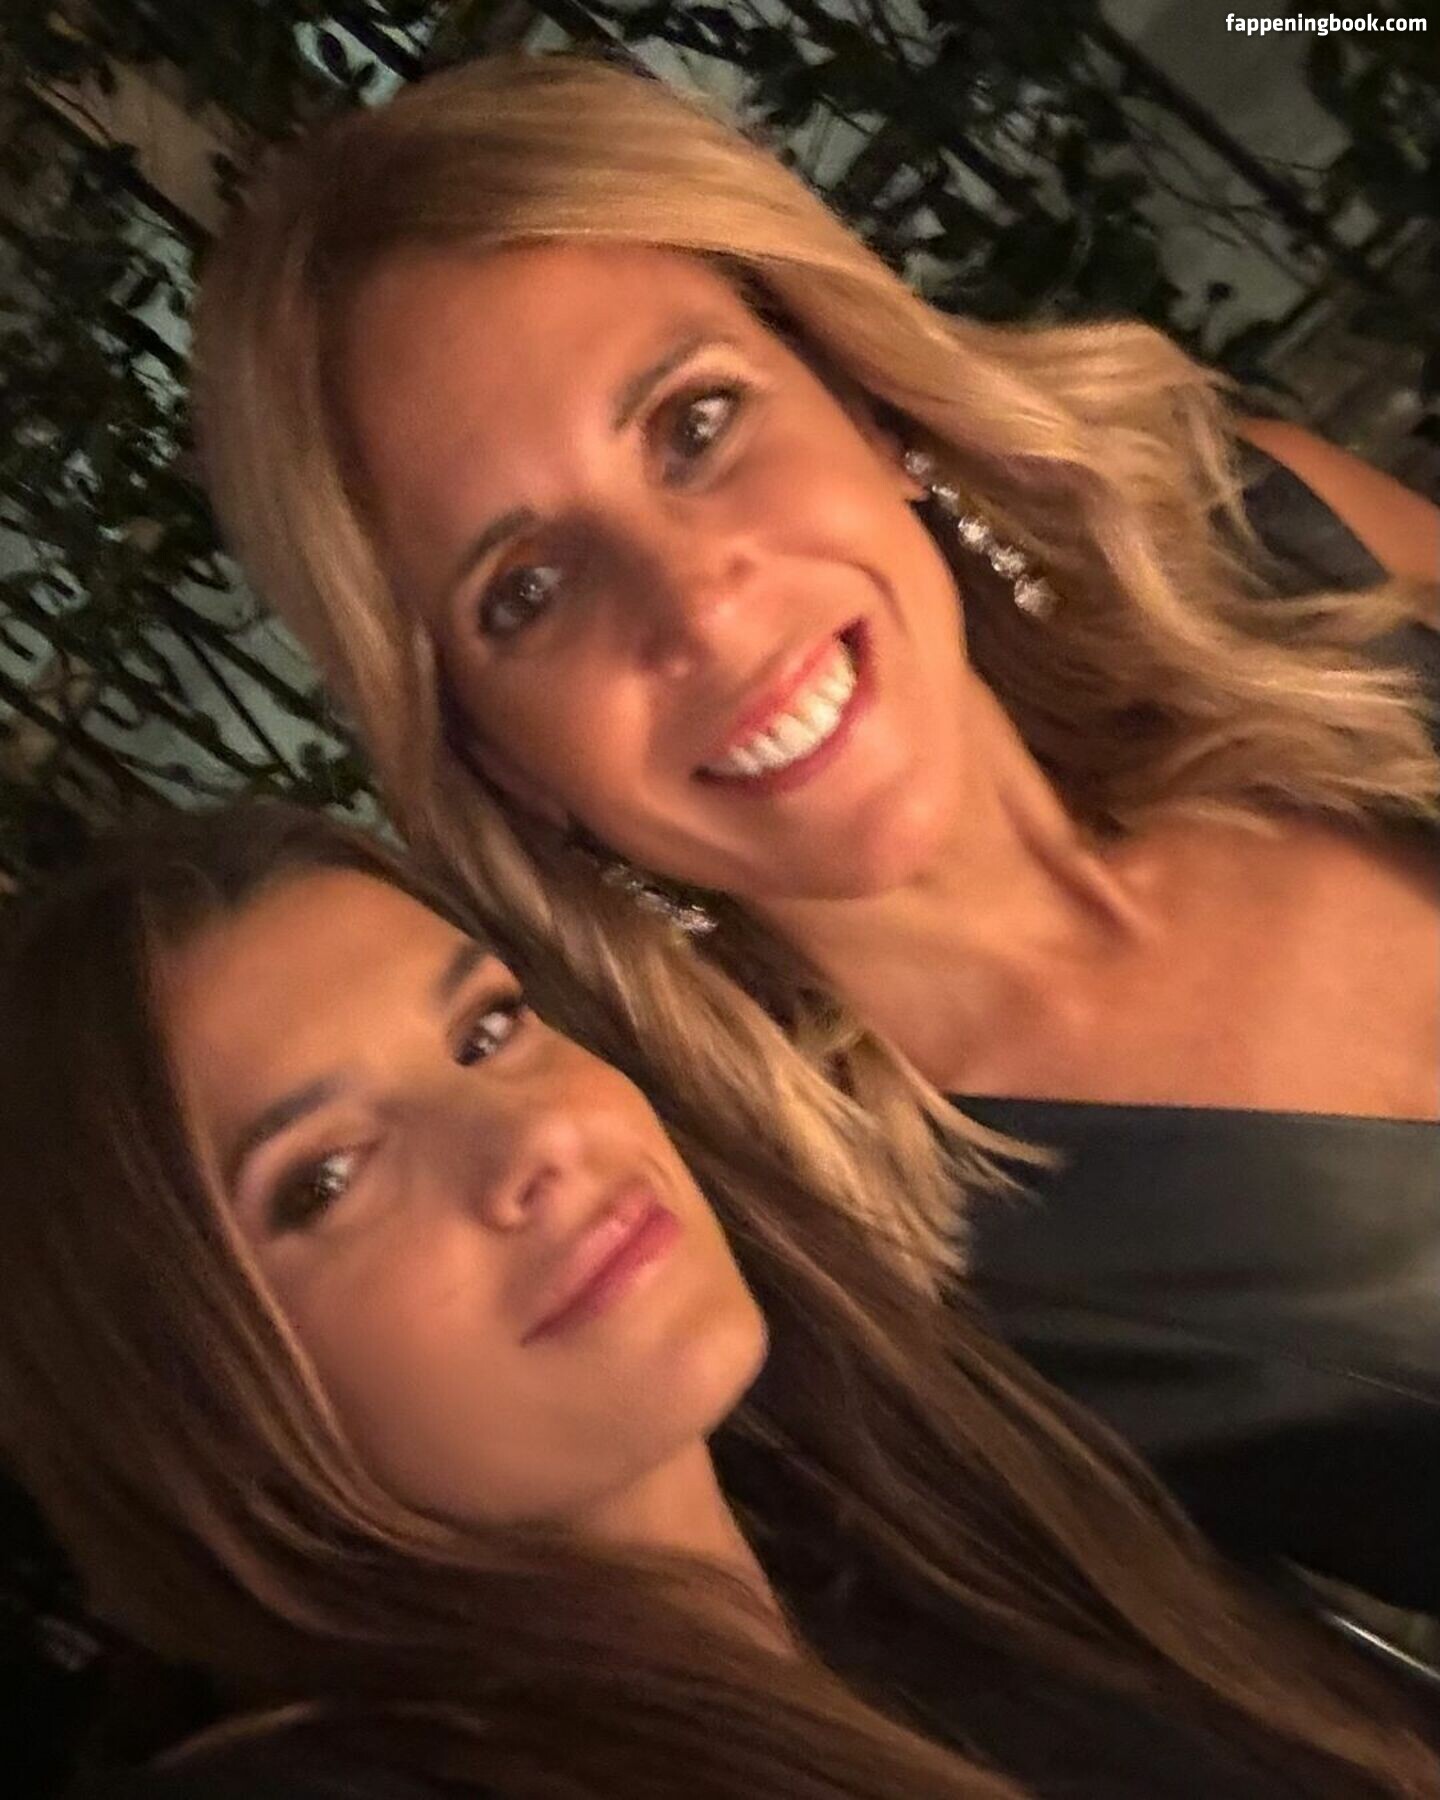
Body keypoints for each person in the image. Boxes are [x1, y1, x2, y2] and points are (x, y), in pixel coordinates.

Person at [191, 53, 1440, 1614]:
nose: (696, 606)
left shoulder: (1279, 551)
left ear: (865, 401)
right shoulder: (869, 1321)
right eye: (527, 591)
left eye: (695, 423)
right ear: (502, 763)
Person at [0, 801, 1437, 1800]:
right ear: (179, 1392)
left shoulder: (918, 1517)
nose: (532, 1140)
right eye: (324, 1178)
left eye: (488, 1029)